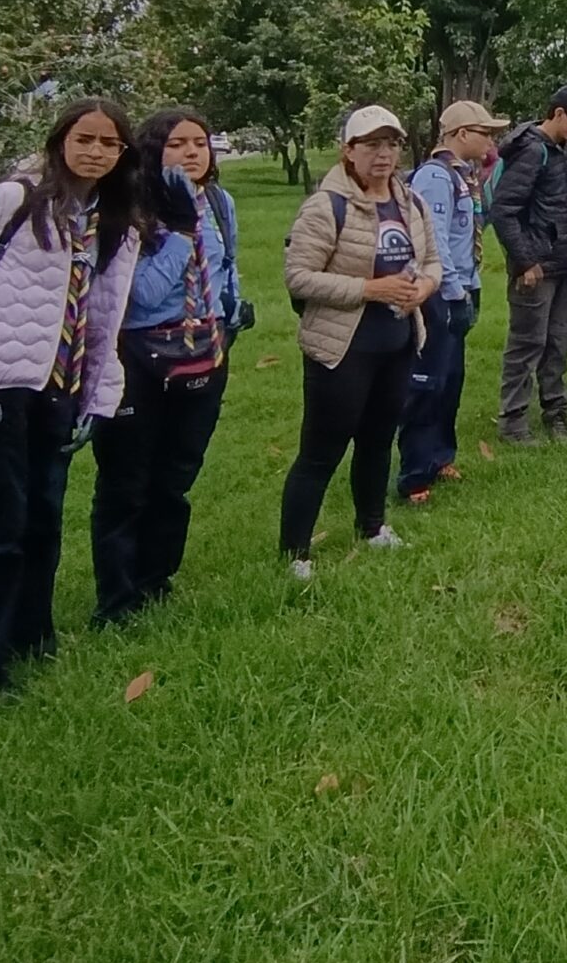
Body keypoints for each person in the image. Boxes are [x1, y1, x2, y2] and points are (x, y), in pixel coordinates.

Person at [0, 97, 141, 693]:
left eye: (109, 143)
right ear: (59, 140)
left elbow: (104, 318)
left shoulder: (113, 221)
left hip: (61, 387)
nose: (95, 152)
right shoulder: (13, 201)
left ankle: (32, 636)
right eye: (85, 139)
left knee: (43, 519)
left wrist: (99, 394)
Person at [90, 108, 243, 624]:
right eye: (178, 144)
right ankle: (116, 596)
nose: (193, 153)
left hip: (204, 350)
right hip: (139, 356)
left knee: (176, 476)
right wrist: (180, 232)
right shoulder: (131, 209)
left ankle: (157, 578)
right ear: (153, 151)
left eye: (200, 142)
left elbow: (226, 270)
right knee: (127, 480)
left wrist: (229, 312)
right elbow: (140, 297)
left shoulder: (219, 202)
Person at [279, 106, 442, 579]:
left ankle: (372, 526)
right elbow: (298, 276)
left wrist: (423, 289)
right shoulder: (326, 205)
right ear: (348, 151)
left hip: (396, 342)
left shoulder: (409, 201)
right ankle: (296, 552)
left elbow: (432, 260)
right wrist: (370, 290)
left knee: (378, 441)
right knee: (321, 450)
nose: (383, 154)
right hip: (342, 346)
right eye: (371, 145)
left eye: (391, 144)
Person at [395, 101, 506, 502]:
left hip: (462, 286)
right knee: (428, 382)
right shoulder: (435, 178)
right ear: (461, 134)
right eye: (484, 133)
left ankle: (440, 456)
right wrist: (454, 291)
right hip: (439, 292)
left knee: (451, 380)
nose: (490, 141)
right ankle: (414, 473)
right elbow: (434, 239)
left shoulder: (463, 176)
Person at [491, 85, 567, 443]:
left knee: (558, 343)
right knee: (526, 344)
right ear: (559, 113)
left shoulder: (557, 151)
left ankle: (556, 414)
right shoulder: (533, 151)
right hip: (537, 268)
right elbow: (503, 211)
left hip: (561, 264)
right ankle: (513, 423)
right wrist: (526, 262)